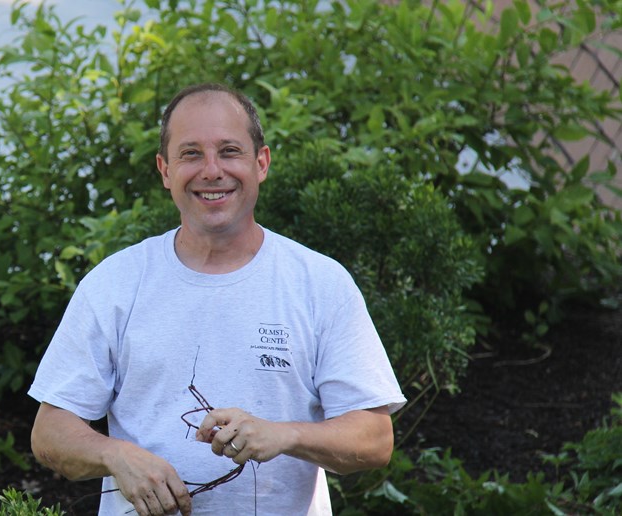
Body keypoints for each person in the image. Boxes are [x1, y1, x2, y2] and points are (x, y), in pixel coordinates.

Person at [28, 83, 406, 516]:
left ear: (260, 163)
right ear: (165, 170)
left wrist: (286, 435)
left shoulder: (320, 283)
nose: (211, 170)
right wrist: (115, 455)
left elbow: (375, 439)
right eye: (190, 154)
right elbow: (50, 432)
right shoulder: (115, 283)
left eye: (229, 151)